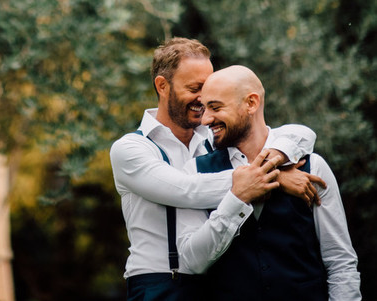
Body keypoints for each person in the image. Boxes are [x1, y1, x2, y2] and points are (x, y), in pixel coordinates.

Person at [110, 38, 323, 301]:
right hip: (160, 285)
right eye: (195, 88)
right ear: (163, 86)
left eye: (209, 88)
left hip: (219, 281)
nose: (204, 98)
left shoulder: (214, 138)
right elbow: (187, 190)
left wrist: (275, 160)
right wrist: (273, 178)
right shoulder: (131, 149)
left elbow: (298, 134)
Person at [177, 65, 361, 301]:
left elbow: (340, 262)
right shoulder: (195, 171)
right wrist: (237, 198)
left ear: (251, 103)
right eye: (204, 109)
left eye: (215, 107)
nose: (205, 120)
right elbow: (192, 262)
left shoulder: (313, 167)